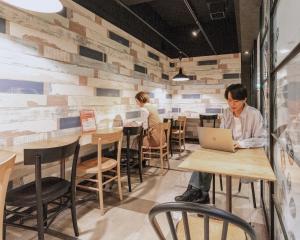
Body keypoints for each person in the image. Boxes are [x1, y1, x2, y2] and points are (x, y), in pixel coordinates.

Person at [175, 83, 266, 203]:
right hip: (228, 149)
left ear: (244, 99)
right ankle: (197, 191)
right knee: (205, 157)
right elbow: (222, 132)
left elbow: (261, 139)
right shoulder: (227, 112)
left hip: (245, 153)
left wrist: (241, 144)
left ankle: (200, 194)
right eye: (229, 100)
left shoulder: (254, 114)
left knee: (209, 160)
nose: (232, 104)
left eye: (236, 101)